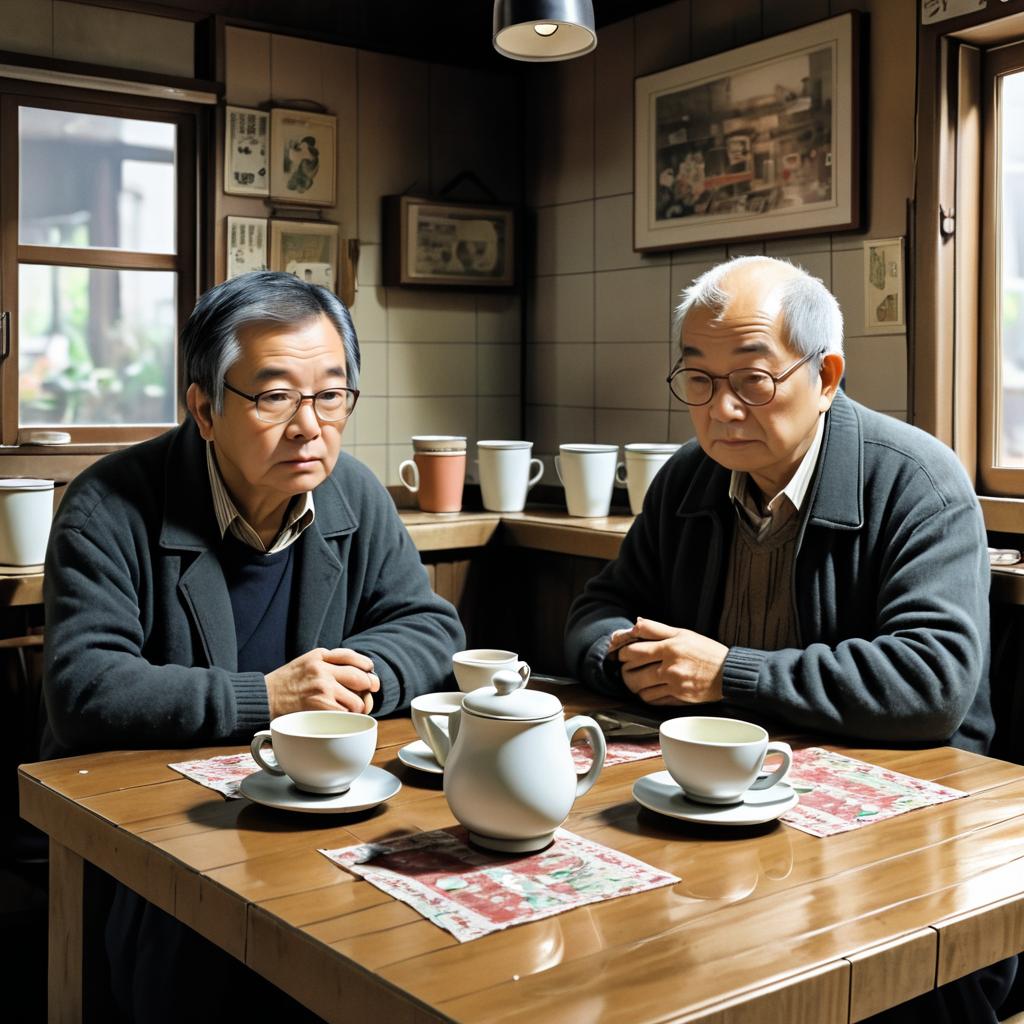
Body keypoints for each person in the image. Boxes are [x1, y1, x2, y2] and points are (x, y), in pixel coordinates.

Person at [564, 255, 1013, 1023]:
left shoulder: (916, 480)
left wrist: (727, 675)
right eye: (698, 380)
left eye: (752, 380)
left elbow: (932, 684)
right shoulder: (688, 479)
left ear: (827, 375)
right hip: (725, 820)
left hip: (903, 851)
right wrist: (623, 657)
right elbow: (597, 610)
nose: (722, 410)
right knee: (600, 967)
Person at [42, 270, 464, 1021]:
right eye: (274, 396)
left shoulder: (352, 492)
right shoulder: (109, 504)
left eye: (331, 395)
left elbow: (431, 627)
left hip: (313, 807)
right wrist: (268, 697)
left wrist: (356, 676)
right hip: (158, 826)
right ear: (203, 408)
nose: (309, 425)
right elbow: (85, 687)